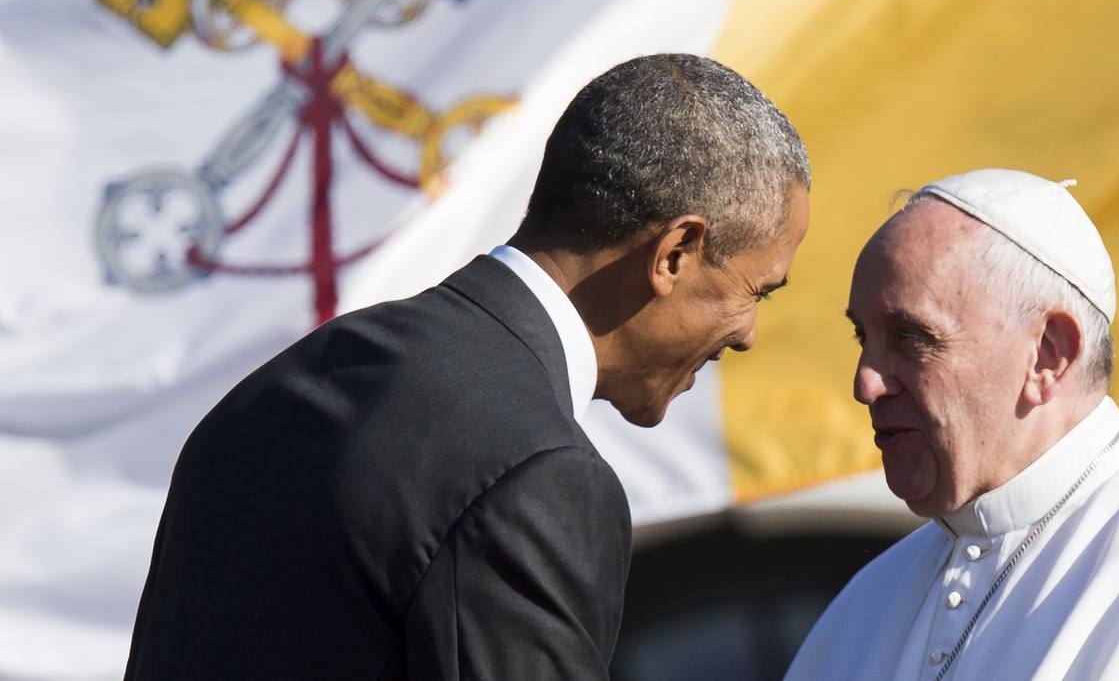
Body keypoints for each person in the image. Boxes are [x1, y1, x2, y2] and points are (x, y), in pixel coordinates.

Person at [123, 53, 811, 680]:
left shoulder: (273, 392)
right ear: (674, 254)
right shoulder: (536, 474)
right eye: (755, 290)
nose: (747, 334)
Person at [785, 168, 1119, 681]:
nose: (865, 384)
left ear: (1048, 355)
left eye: (910, 338)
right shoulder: (868, 602)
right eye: (862, 337)